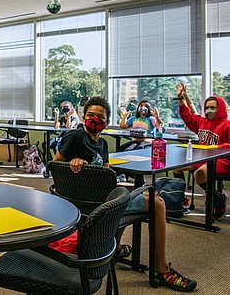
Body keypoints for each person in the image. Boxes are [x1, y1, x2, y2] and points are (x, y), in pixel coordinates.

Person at [53, 96, 197, 292]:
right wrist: (71, 163)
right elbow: (54, 165)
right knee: (158, 203)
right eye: (90, 116)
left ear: (106, 121)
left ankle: (115, 248)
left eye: (100, 117)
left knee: (123, 197)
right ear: (84, 117)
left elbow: (105, 174)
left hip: (101, 201)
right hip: (88, 205)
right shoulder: (75, 137)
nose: (94, 120)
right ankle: (161, 270)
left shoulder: (103, 145)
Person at [173, 83, 230, 220]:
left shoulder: (228, 125)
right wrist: (180, 99)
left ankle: (217, 198)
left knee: (200, 173)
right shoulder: (202, 122)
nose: (209, 110)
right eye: (207, 107)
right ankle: (179, 201)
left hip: (226, 161)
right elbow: (187, 116)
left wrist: (219, 147)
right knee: (177, 168)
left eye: (213, 107)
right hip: (205, 159)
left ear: (220, 108)